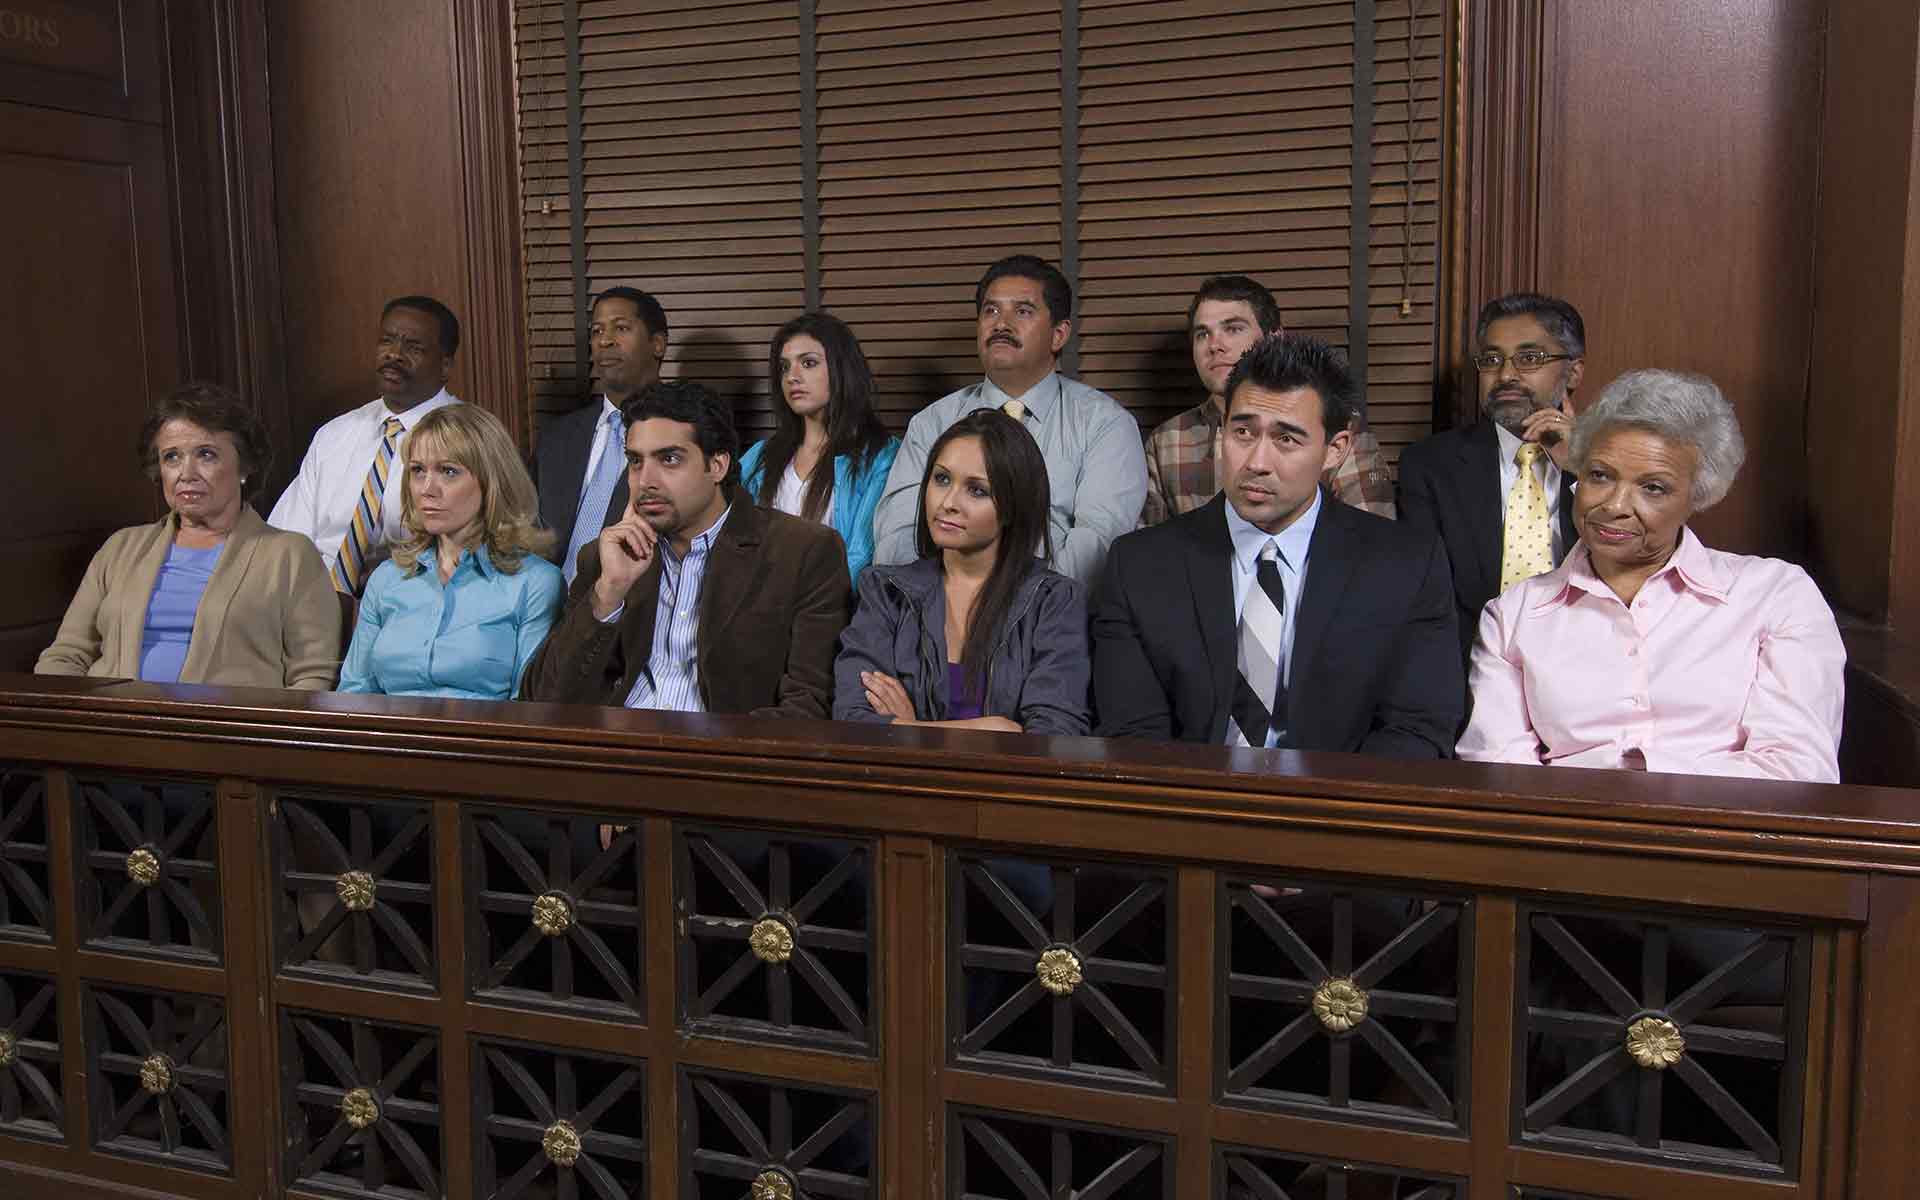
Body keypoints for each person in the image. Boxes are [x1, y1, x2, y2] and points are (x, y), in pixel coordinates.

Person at [1457, 370, 1845, 781]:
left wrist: (1634, 777)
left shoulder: (1776, 596)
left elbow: (1799, 772)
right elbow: (1499, 774)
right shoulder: (1514, 614)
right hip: (1566, 839)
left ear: (1697, 496)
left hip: (1728, 841)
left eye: (1653, 488)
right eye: (1600, 476)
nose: (1615, 506)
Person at [1093, 334, 1461, 756]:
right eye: (1243, 432)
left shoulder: (1406, 565)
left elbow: (1417, 731)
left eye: (1287, 439)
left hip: (1338, 810)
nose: (1257, 463)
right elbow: (1133, 735)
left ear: (1334, 450)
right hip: (1187, 809)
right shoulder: (1139, 565)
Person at [521, 379, 850, 717]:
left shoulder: (804, 552)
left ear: (717, 465)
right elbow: (544, 700)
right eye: (635, 461)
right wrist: (608, 594)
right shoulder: (605, 558)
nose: (645, 480)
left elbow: (808, 707)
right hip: (617, 755)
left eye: (670, 459)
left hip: (724, 760)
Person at [37, 383, 340, 688]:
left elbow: (313, 676)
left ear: (245, 466)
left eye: (206, 455)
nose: (186, 473)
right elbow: (65, 656)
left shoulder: (290, 555)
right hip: (117, 727)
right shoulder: (121, 547)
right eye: (172, 457)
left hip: (228, 732)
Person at [871, 254, 1147, 588]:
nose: (1001, 323)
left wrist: (1011, 608)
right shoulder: (932, 423)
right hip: (937, 621)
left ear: (1059, 334)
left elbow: (1095, 552)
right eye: (990, 310)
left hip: (1053, 626)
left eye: (1023, 311)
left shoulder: (1106, 425)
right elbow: (896, 542)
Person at [834, 410, 1088, 734]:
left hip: (1008, 786)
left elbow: (1054, 734)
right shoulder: (885, 591)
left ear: (1014, 504)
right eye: (941, 479)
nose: (948, 502)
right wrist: (993, 729)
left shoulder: (1053, 601)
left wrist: (912, 728)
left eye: (977, 490)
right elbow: (852, 717)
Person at [1397, 293, 1587, 664]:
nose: (1506, 376)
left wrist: (1581, 468)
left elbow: (1629, 571)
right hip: (1471, 674)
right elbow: (1423, 600)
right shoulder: (1430, 466)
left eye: (1530, 358)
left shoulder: (1610, 465)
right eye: (1492, 360)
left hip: (1584, 670)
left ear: (1574, 371)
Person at [338, 405, 564, 699]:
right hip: (390, 741)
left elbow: (529, 704)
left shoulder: (535, 582)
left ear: (491, 481)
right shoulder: (386, 579)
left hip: (485, 741)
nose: (427, 489)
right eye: (418, 470)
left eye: (448, 471)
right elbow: (354, 693)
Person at [1141, 274, 1396, 525]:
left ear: (1274, 338)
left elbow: (1372, 542)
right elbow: (1152, 553)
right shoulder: (1167, 441)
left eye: (1233, 328)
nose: (1214, 345)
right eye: (1202, 334)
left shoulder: (1333, 424)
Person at [271, 296, 463, 594]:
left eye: (413, 347)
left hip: (415, 595)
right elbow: (285, 539)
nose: (394, 355)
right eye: (387, 341)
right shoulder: (335, 434)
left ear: (445, 365)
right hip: (312, 600)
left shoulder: (470, 438)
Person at [738, 312, 900, 585]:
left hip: (833, 613)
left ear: (841, 369)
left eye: (808, 363)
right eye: (784, 367)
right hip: (757, 611)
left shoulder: (880, 455)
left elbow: (862, 553)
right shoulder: (760, 456)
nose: (792, 377)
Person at [533, 286, 669, 584]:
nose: (605, 341)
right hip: (546, 608)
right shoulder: (556, 437)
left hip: (631, 607)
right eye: (597, 331)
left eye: (621, 328)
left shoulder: (682, 434)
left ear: (657, 344)